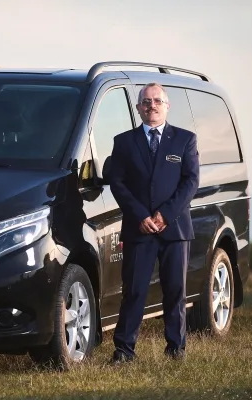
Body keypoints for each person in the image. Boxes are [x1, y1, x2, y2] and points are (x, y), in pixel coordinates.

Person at [108, 82, 200, 363]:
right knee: (134, 291)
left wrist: (164, 215)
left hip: (175, 228)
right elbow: (117, 183)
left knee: (175, 291)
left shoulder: (185, 140)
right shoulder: (123, 142)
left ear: (167, 106)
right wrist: (141, 216)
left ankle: (176, 350)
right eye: (146, 102)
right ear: (138, 108)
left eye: (157, 101)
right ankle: (124, 351)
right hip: (139, 229)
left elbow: (190, 182)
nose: (152, 106)